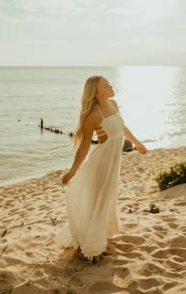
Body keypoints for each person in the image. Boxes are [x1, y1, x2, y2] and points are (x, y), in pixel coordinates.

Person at [61, 75, 147, 262]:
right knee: (99, 202)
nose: (111, 87)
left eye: (109, 85)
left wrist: (137, 143)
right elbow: (84, 147)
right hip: (102, 164)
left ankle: (98, 239)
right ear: (96, 92)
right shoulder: (93, 116)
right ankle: (94, 247)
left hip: (113, 162)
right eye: (106, 86)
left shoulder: (114, 105)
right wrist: (72, 171)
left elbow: (122, 128)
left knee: (106, 201)